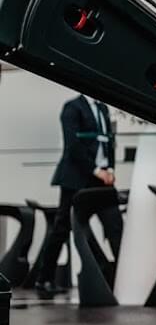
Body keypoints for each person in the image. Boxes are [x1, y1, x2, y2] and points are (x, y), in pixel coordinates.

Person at [36, 94, 123, 298]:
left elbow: (109, 141)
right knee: (62, 227)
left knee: (115, 226)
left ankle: (122, 278)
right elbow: (73, 145)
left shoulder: (103, 108)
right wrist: (96, 170)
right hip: (77, 178)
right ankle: (44, 278)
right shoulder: (73, 107)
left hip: (102, 179)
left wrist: (110, 169)